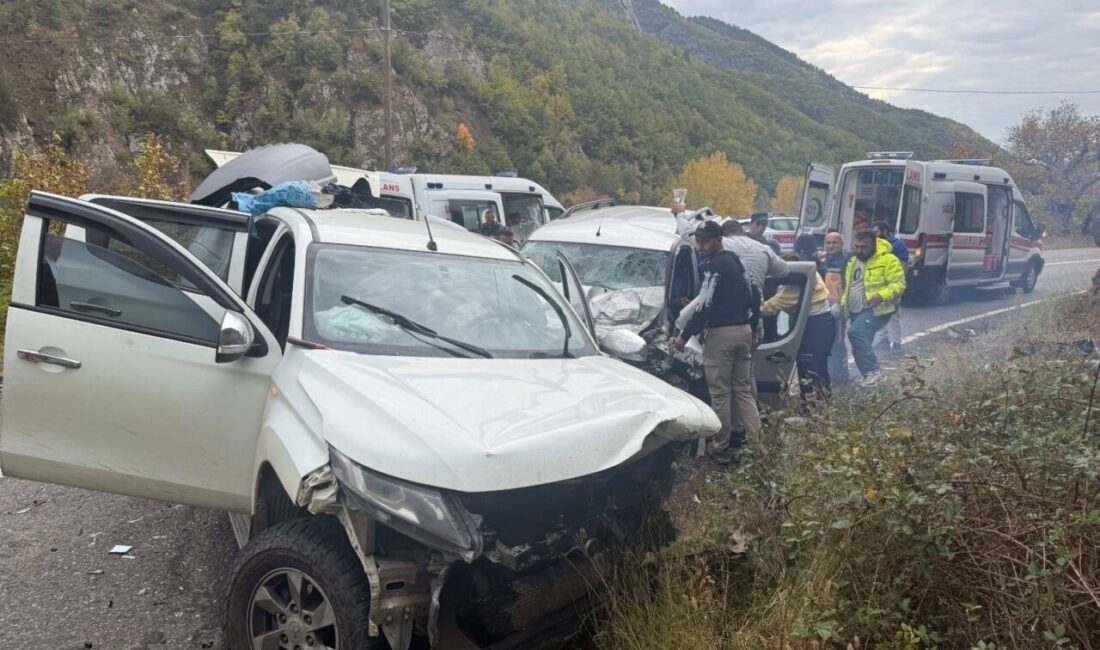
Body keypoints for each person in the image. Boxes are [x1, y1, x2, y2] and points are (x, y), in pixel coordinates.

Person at [673, 221, 761, 458]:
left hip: (722, 336)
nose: (700, 246)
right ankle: (758, 444)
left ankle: (720, 446)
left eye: (705, 241)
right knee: (742, 390)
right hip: (743, 331)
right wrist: (752, 327)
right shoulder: (737, 261)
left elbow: (704, 306)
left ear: (718, 239)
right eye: (698, 241)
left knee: (720, 393)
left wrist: (684, 335)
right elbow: (755, 294)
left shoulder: (715, 267)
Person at [763, 238, 835, 398]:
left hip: (814, 327)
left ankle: (814, 404)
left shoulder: (791, 291)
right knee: (816, 366)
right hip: (823, 323)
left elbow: (767, 309)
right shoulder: (809, 274)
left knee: (810, 367)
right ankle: (818, 402)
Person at [842, 230, 906, 387]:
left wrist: (881, 295)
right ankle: (871, 381)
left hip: (878, 310)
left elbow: (899, 284)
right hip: (854, 310)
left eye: (864, 247)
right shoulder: (853, 260)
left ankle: (874, 372)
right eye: (856, 246)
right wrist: (844, 304)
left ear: (874, 244)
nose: (859, 250)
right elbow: (851, 285)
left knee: (855, 333)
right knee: (860, 344)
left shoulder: (889, 260)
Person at [873, 220, 909, 351]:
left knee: (893, 314)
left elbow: (903, 265)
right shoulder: (876, 245)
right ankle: (883, 340)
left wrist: (899, 284)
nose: (874, 234)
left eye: (876, 231)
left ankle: (896, 343)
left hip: (893, 284)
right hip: (879, 285)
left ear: (884, 231)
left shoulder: (898, 245)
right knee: (880, 312)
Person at [822, 231, 850, 387]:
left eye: (835, 242)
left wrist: (841, 304)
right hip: (823, 308)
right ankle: (829, 375)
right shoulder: (822, 260)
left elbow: (850, 285)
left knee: (837, 343)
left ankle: (841, 379)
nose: (831, 245)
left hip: (838, 310)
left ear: (842, 244)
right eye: (828, 242)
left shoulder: (846, 261)